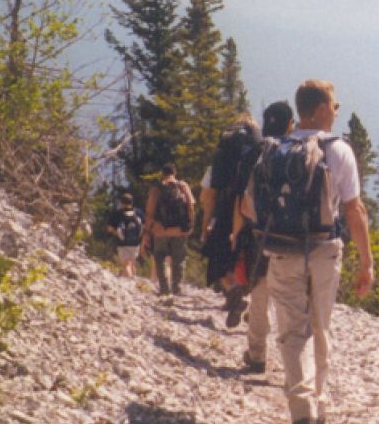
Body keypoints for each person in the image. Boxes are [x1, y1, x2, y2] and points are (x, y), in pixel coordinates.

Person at [242, 79, 373, 424]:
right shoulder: (338, 149)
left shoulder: (275, 149)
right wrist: (367, 263)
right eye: (334, 105)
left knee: (291, 332)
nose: (337, 109)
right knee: (320, 324)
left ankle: (301, 410)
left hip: (282, 251)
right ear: (318, 109)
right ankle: (320, 403)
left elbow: (250, 207)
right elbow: (354, 209)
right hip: (323, 249)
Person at [239, 100, 295, 373]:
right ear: (290, 124)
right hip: (296, 239)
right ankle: (293, 363)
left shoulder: (256, 153)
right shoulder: (300, 151)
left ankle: (257, 354)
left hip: (260, 237)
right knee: (292, 302)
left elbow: (244, 202)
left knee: (259, 297)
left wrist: (240, 231)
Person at [200, 114, 262, 325]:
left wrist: (206, 223)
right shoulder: (260, 152)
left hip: (226, 209)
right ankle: (255, 305)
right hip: (257, 213)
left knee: (219, 259)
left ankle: (233, 290)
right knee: (254, 261)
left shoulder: (221, 156)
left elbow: (207, 196)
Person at [145, 163, 195, 299]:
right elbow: (191, 206)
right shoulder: (183, 186)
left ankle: (164, 289)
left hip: (161, 230)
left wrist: (147, 230)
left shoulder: (157, 188)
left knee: (160, 258)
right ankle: (176, 287)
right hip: (179, 230)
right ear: (175, 173)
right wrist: (190, 225)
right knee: (179, 259)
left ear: (162, 173)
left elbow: (149, 210)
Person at [104, 191, 144, 277]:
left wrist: (117, 233)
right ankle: (135, 281)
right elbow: (143, 226)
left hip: (122, 243)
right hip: (136, 242)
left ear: (121, 202)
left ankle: (130, 282)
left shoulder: (117, 214)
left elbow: (110, 229)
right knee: (132, 263)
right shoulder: (138, 212)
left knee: (126, 264)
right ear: (132, 202)